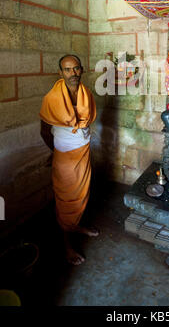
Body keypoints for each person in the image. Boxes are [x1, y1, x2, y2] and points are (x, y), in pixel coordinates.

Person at [40, 54, 99, 265]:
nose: (72, 73)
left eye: (76, 69)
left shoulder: (87, 95)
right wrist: (56, 152)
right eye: (67, 69)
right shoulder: (51, 99)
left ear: (81, 70)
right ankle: (67, 247)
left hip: (83, 153)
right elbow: (45, 131)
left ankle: (77, 226)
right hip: (64, 157)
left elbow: (86, 125)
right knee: (66, 201)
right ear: (60, 73)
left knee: (82, 193)